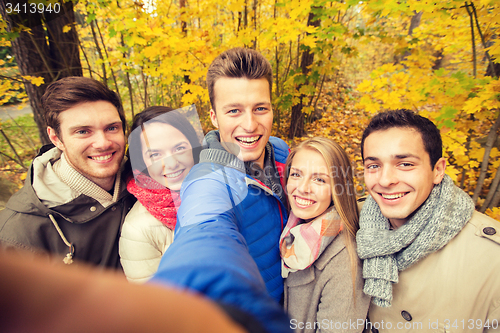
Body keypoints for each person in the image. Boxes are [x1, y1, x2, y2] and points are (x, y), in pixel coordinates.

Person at [151, 48, 292, 332]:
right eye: (234, 111)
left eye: (260, 108)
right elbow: (203, 236)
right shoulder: (208, 179)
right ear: (214, 117)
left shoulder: (280, 150)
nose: (250, 125)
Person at [357, 109, 500, 332]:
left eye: (405, 164)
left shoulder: (492, 259)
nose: (385, 180)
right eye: (373, 166)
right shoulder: (349, 222)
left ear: (438, 170)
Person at [0, 76, 135, 269]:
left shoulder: (150, 182)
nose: (103, 143)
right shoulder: (18, 235)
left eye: (112, 128)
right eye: (83, 132)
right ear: (56, 138)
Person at [280, 137, 370, 333]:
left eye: (319, 179)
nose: (302, 188)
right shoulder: (292, 232)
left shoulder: (345, 261)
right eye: (296, 174)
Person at [119, 106, 202, 283]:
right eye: (155, 155)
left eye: (180, 148)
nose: (171, 163)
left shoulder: (223, 191)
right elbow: (153, 305)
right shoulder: (137, 230)